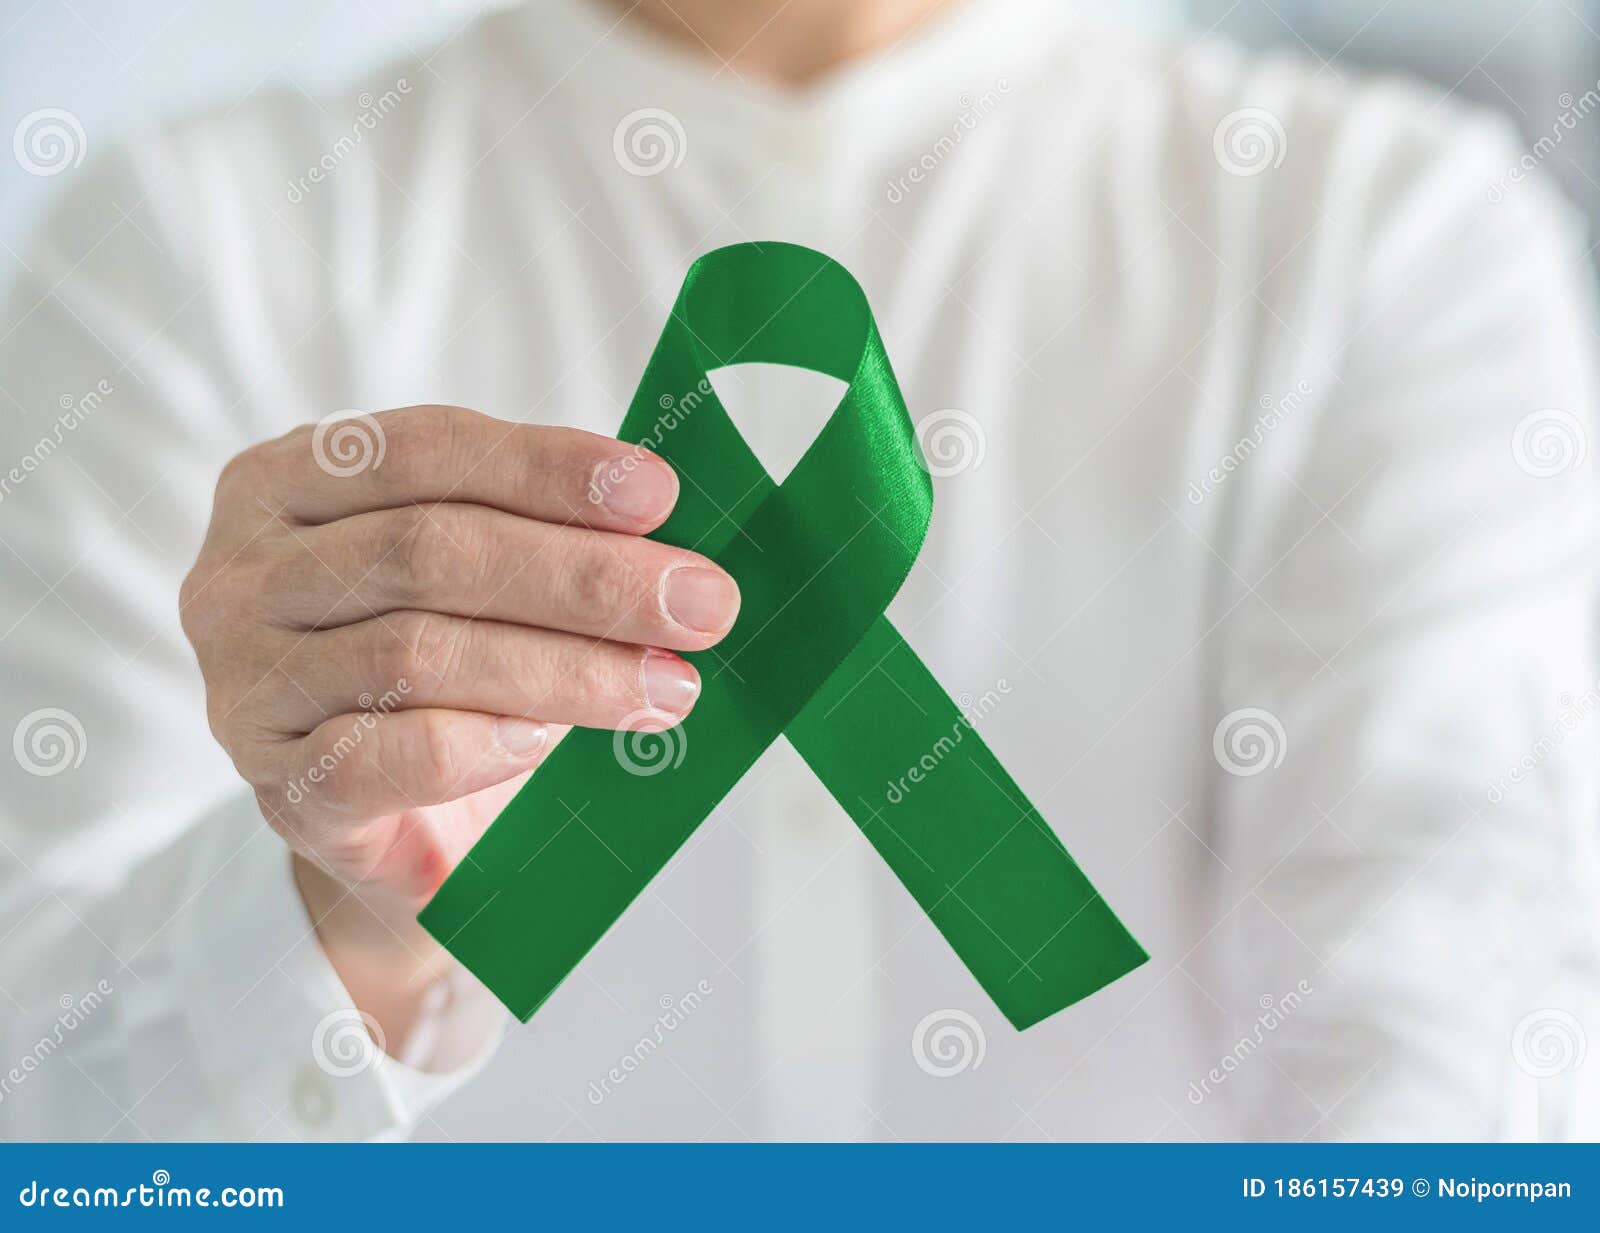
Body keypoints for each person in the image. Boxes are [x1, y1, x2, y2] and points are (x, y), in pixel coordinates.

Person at [0, 0, 1595, 1141]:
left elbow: (1450, 1012)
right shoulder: (191, 245)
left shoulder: (1388, 235)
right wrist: (339, 917)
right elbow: (55, 1133)